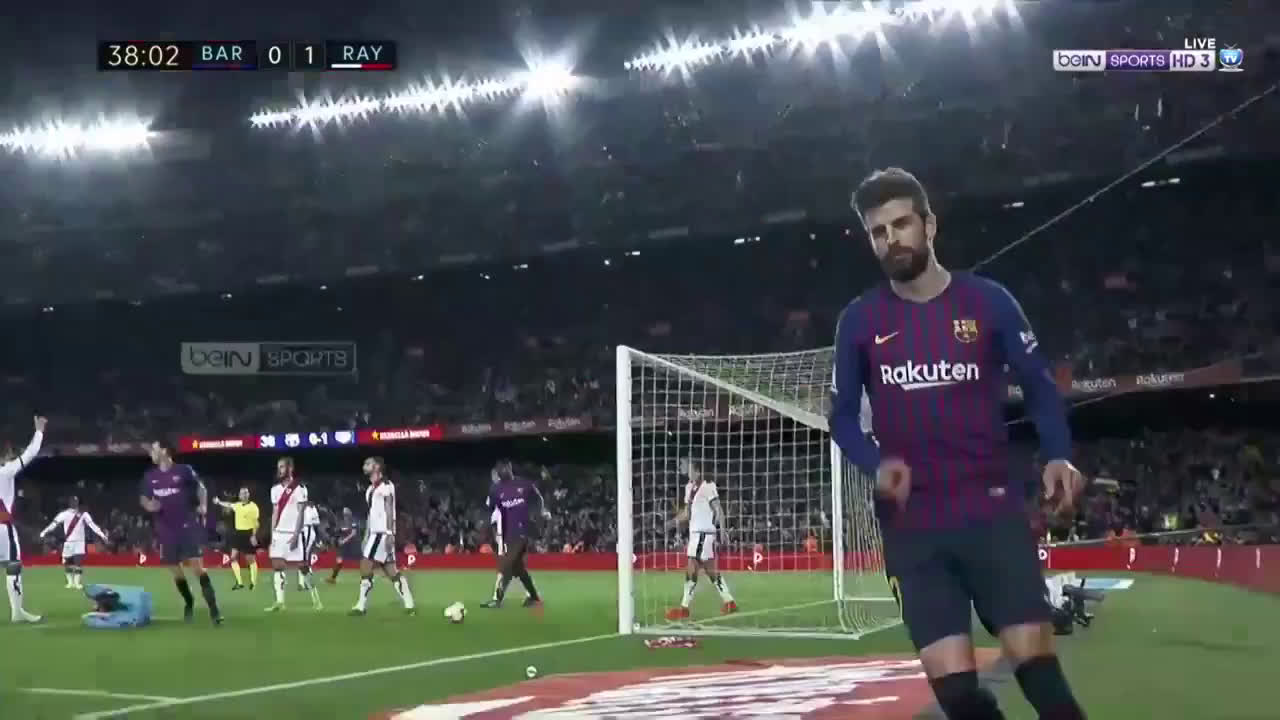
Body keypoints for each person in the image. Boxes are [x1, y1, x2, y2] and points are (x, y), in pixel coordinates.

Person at [831, 167, 1085, 720]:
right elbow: (843, 419)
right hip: (912, 525)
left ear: (929, 225)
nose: (891, 239)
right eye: (878, 232)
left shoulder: (988, 302)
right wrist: (876, 463)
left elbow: (1040, 386)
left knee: (1038, 669)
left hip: (989, 509)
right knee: (958, 696)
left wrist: (1058, 453)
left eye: (901, 224)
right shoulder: (859, 321)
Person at [140, 438, 223, 625]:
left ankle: (214, 609)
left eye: (154, 449)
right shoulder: (150, 476)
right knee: (175, 570)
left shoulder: (184, 471)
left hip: (186, 525)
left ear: (164, 451)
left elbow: (201, 488)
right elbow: (144, 498)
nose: (151, 452)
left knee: (197, 567)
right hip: (165, 529)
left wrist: (203, 506)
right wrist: (149, 506)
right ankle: (189, 602)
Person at [665, 457, 736, 620]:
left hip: (703, 535)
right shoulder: (689, 487)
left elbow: (718, 509)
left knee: (692, 567)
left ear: (695, 469)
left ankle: (684, 608)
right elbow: (687, 514)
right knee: (711, 571)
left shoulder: (708, 486)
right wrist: (671, 523)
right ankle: (729, 602)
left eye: (685, 464)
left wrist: (723, 531)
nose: (681, 467)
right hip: (696, 535)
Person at [349, 457, 415, 616]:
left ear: (377, 467)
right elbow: (371, 514)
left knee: (365, 565)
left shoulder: (386, 486)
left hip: (382, 533)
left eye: (368, 464)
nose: (364, 466)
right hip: (375, 533)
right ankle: (409, 604)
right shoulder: (370, 489)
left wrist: (390, 533)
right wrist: (366, 535)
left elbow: (390, 509)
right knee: (390, 569)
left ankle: (361, 605)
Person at [480, 460, 550, 609]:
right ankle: (534, 598)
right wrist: (491, 529)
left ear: (510, 468)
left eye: (504, 468)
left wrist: (540, 513)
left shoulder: (523, 484)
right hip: (506, 533)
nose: (502, 471)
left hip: (522, 532)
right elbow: (489, 509)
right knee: (518, 568)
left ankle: (497, 599)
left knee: (506, 564)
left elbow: (538, 498)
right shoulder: (495, 489)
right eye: (499, 469)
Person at [0, 416, 47, 624]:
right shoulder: (6, 471)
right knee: (13, 566)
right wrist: (39, 431)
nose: (12, 455)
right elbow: (30, 454)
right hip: (3, 526)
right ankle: (17, 612)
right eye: (10, 452)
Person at [265, 457, 317, 612]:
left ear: (290, 468)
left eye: (282, 467)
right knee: (277, 566)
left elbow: (301, 513)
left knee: (303, 567)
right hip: (279, 533)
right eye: (278, 467)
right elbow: (275, 513)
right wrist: (272, 535)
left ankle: (316, 599)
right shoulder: (275, 489)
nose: (279, 470)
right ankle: (280, 602)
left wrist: (296, 535)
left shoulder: (300, 488)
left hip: (293, 533)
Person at [39, 494, 109, 590]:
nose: (74, 503)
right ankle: (70, 582)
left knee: (78, 562)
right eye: (72, 501)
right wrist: (44, 532)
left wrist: (102, 535)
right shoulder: (64, 514)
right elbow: (53, 524)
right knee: (67, 563)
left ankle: (77, 583)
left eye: (76, 501)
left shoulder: (84, 514)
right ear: (69, 503)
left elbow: (92, 525)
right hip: (69, 542)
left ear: (78, 503)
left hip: (80, 542)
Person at [213, 487, 260, 591]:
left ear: (248, 495)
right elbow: (229, 505)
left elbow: (256, 523)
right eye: (242, 493)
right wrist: (218, 502)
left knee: (250, 559)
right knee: (233, 558)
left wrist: (253, 536)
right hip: (238, 533)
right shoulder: (237, 505)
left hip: (248, 534)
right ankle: (239, 583)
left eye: (246, 493)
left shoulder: (253, 507)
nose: (244, 495)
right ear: (239, 496)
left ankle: (253, 582)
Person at [326, 507, 361, 584]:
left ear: (350, 514)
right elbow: (339, 532)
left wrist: (343, 540)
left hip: (354, 544)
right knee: (339, 560)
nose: (345, 516)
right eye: (344, 514)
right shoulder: (343, 523)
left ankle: (365, 577)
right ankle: (333, 578)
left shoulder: (354, 521)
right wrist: (334, 536)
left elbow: (353, 533)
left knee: (360, 561)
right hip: (345, 546)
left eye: (346, 514)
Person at [297, 501, 321, 602]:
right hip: (301, 531)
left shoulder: (311, 508)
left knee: (303, 558)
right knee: (301, 558)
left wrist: (318, 539)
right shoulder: (296, 506)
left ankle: (304, 583)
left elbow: (316, 524)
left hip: (306, 531)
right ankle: (303, 583)